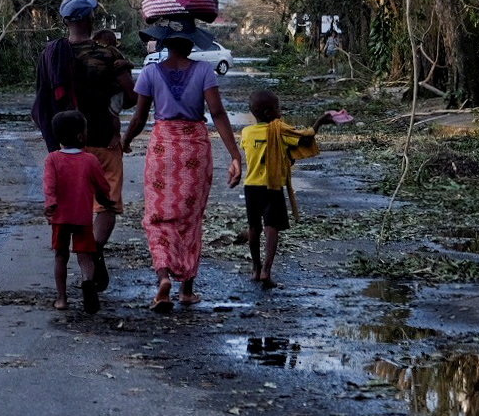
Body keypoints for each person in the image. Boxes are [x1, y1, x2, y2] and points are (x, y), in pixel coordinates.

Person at [121, 16, 243, 313]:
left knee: (158, 216)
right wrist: (235, 155)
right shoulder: (204, 71)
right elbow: (218, 113)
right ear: (191, 44)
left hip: (163, 149)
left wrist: (125, 141)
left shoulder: (150, 72)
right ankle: (186, 290)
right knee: (190, 218)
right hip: (194, 150)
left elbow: (139, 117)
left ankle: (163, 277)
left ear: (164, 43)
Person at [239, 89, 339, 288]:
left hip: (251, 186)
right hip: (272, 186)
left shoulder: (246, 133)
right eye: (277, 107)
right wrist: (319, 122)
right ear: (268, 113)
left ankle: (256, 269)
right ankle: (267, 271)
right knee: (271, 228)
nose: (281, 111)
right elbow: (304, 138)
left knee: (253, 227)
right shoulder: (280, 130)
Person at [66, 26, 136, 294]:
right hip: (106, 139)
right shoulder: (111, 57)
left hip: (71, 140)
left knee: (78, 203)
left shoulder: (58, 54)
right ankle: (94, 249)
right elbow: (131, 96)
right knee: (106, 202)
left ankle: (87, 263)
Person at [44, 109, 118, 313]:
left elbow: (49, 185)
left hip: (60, 217)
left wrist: (51, 204)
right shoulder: (90, 160)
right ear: (80, 136)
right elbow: (102, 185)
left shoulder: (52, 159)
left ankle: (61, 299)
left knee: (61, 256)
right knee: (85, 255)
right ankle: (88, 282)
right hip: (82, 217)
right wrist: (105, 199)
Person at [32, 0, 99, 152]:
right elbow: (127, 99)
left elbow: (42, 99)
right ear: (90, 19)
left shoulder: (49, 53)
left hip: (64, 140)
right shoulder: (106, 54)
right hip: (100, 139)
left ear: (65, 21)